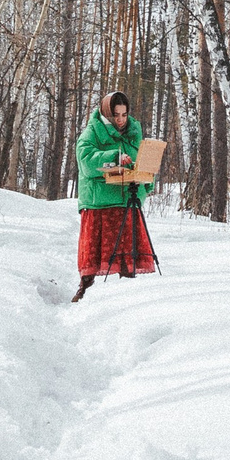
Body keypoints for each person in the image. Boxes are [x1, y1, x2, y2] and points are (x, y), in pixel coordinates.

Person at [72, 90, 157, 302]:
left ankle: (127, 293)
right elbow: (86, 162)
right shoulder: (92, 132)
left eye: (124, 114)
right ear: (107, 114)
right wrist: (114, 157)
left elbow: (139, 160)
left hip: (127, 199)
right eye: (116, 115)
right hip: (99, 201)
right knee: (96, 250)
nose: (120, 120)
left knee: (128, 249)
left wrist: (146, 178)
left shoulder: (133, 132)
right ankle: (85, 286)